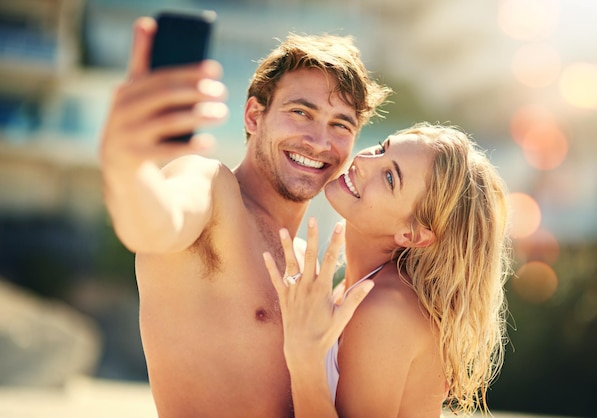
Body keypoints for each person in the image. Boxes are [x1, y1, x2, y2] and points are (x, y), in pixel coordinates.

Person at [99, 15, 391, 418]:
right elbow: (154, 224)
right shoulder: (212, 191)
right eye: (301, 113)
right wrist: (126, 167)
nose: (320, 142)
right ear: (254, 116)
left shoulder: (309, 263)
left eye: (340, 124)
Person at [263, 122, 512, 417]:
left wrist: (304, 358)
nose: (363, 162)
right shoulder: (356, 289)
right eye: (381, 148)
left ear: (413, 234)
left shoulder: (385, 309)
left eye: (390, 177)